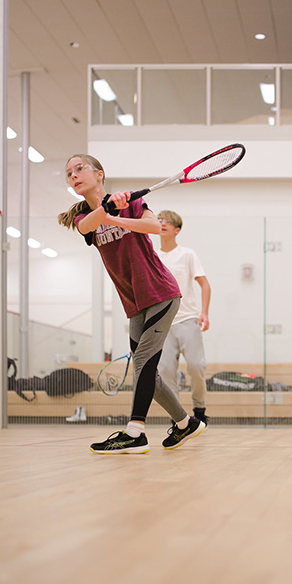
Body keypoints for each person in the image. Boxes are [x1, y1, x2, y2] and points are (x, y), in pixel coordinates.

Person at [57, 154, 206, 454]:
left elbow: (153, 228)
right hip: (134, 303)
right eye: (69, 173)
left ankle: (135, 432)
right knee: (148, 373)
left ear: (99, 174)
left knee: (141, 364)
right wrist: (106, 210)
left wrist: (115, 214)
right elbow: (88, 226)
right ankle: (184, 424)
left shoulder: (133, 204)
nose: (74, 175)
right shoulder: (82, 218)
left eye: (80, 169)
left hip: (161, 293)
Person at [156, 210, 211, 424]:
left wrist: (204, 313)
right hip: (163, 323)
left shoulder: (187, 254)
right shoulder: (153, 256)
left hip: (188, 319)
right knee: (165, 371)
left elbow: (204, 284)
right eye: (159, 220)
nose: (162, 224)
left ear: (177, 230)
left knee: (197, 366)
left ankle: (199, 410)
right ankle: (178, 417)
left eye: (167, 222)